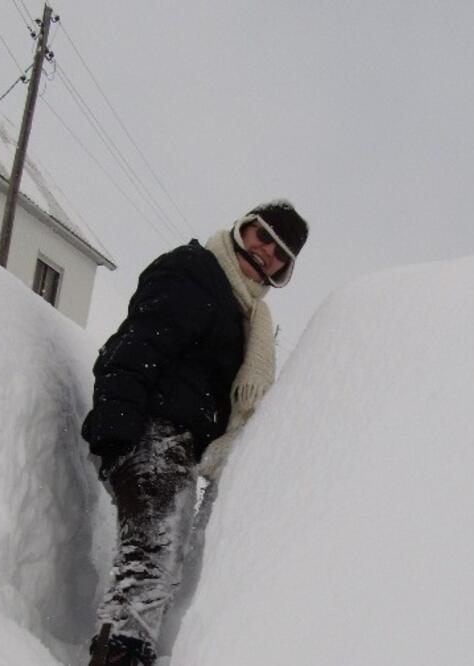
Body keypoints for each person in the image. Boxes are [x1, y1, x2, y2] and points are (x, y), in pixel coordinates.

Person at [83, 200, 309, 666]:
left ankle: (130, 652)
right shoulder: (195, 270)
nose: (267, 253)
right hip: (150, 432)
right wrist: (115, 430)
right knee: (151, 557)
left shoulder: (247, 314)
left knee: (160, 563)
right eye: (263, 237)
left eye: (280, 254)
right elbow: (140, 344)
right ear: (244, 227)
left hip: (177, 447)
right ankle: (119, 656)